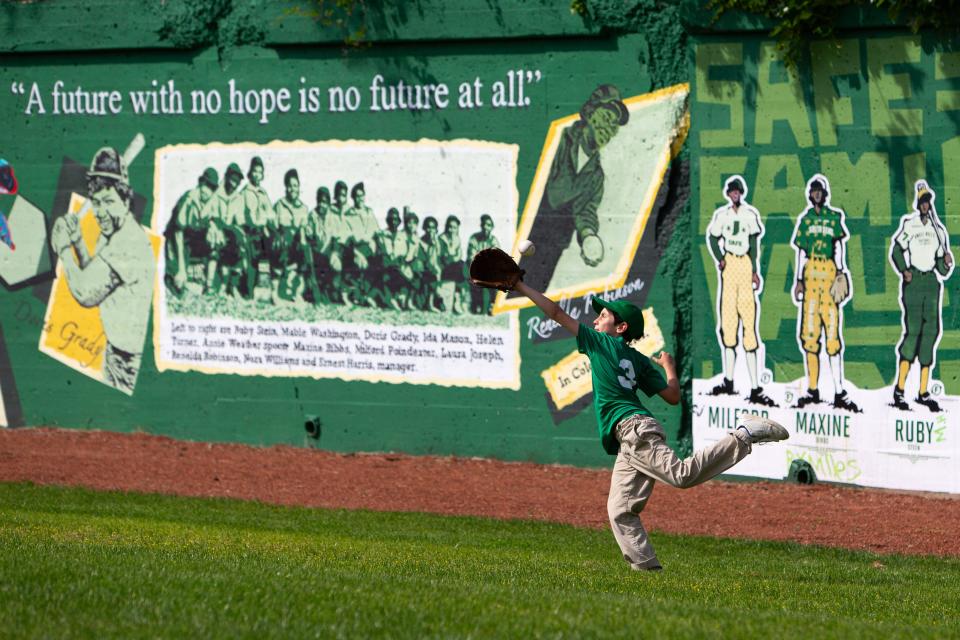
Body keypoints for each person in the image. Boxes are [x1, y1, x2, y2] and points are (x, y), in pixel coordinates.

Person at [509, 278, 788, 570]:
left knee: (681, 476)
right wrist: (668, 367)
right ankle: (647, 570)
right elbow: (672, 396)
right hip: (630, 436)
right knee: (619, 509)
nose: (595, 319)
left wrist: (520, 286)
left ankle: (743, 435)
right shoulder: (636, 359)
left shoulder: (599, 342)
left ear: (621, 328)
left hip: (634, 430)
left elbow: (555, 313)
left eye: (603, 316)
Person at [50, 147, 155, 394]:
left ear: (126, 201)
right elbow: (93, 275)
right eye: (96, 203)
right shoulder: (112, 234)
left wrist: (64, 249)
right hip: (113, 354)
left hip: (130, 364)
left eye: (109, 201)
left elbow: (86, 294)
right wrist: (76, 240)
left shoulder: (128, 242)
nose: (101, 212)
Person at [515, 84, 629, 293]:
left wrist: (588, 236)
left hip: (552, 248)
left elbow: (585, 211)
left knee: (529, 296)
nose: (609, 129)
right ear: (590, 113)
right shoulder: (558, 141)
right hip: (526, 235)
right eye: (606, 118)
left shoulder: (596, 176)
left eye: (614, 126)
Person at [791, 174, 859, 412]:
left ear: (824, 194)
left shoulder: (833, 217)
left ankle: (839, 390)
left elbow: (839, 245)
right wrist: (798, 279)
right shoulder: (806, 220)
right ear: (810, 195)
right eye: (814, 191)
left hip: (828, 269)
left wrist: (841, 271)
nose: (817, 194)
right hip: (811, 271)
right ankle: (813, 389)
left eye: (820, 190)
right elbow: (801, 252)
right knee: (810, 335)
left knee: (832, 332)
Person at [706, 176, 776, 406]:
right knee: (728, 324)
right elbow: (713, 237)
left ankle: (755, 386)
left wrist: (755, 270)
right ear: (728, 194)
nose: (735, 195)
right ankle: (728, 380)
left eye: (738, 191)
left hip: (744, 264)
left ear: (741, 193)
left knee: (748, 322)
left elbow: (755, 244)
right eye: (732, 191)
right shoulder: (722, 215)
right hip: (730, 264)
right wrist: (720, 259)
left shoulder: (749, 214)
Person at [890, 180, 954, 412]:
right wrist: (904, 270)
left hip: (931, 283)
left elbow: (941, 265)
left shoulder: (937, 230)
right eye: (922, 202)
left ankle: (923, 391)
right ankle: (899, 389)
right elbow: (897, 248)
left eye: (928, 202)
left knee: (931, 333)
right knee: (913, 332)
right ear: (918, 204)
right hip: (915, 280)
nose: (925, 205)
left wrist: (947, 264)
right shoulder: (911, 224)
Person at [163, 167, 218, 296]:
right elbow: (178, 233)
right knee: (177, 285)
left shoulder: (210, 203)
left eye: (211, 189)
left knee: (217, 241)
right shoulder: (188, 199)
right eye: (206, 186)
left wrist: (212, 226)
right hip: (175, 242)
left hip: (192, 242)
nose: (207, 191)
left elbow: (211, 219)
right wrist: (181, 268)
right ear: (200, 184)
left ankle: (209, 285)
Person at [272, 168, 309, 303]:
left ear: (299, 187)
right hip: (281, 242)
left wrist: (302, 236)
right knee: (283, 240)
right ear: (285, 187)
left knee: (305, 250)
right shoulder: (279, 205)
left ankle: (297, 291)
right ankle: (275, 292)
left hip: (296, 245)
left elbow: (304, 229)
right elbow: (274, 226)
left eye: (295, 186)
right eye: (289, 186)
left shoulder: (304, 208)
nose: (292, 189)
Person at [241, 156, 274, 299]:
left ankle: (274, 289)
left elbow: (271, 214)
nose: (257, 175)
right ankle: (248, 290)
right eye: (254, 171)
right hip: (250, 231)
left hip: (263, 231)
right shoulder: (245, 192)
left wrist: (269, 225)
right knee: (252, 255)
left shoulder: (264, 193)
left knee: (276, 246)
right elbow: (243, 215)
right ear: (250, 173)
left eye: (260, 172)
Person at [342, 182, 380, 306]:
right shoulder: (349, 215)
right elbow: (347, 238)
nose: (360, 199)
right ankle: (352, 295)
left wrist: (374, 243)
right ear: (353, 198)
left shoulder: (369, 213)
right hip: (356, 249)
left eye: (362, 195)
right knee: (356, 266)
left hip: (370, 248)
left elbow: (377, 232)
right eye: (357, 196)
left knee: (378, 265)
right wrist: (357, 253)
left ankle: (367, 295)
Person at [466, 214, 499, 314]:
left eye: (488, 225)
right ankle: (476, 305)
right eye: (484, 224)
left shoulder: (494, 240)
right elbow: (471, 257)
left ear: (492, 227)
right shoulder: (474, 238)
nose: (486, 227)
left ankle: (492, 305)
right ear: (481, 226)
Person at [439, 215, 466, 314]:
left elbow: (459, 254)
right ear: (446, 227)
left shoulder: (457, 239)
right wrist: (453, 257)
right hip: (443, 267)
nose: (451, 230)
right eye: (450, 227)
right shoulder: (441, 239)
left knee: (463, 266)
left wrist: (453, 257)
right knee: (459, 266)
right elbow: (442, 256)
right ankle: (456, 299)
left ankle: (458, 298)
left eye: (454, 228)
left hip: (454, 266)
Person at [418, 216, 444, 311]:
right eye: (428, 227)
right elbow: (424, 260)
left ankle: (438, 298)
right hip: (425, 268)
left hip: (437, 269)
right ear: (424, 228)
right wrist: (431, 246)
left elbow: (441, 257)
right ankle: (430, 303)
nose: (430, 230)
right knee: (433, 274)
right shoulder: (421, 242)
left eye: (433, 228)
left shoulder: (439, 242)